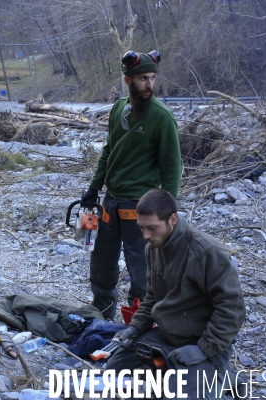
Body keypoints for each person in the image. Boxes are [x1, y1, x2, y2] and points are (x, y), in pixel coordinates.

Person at [107, 188, 246, 399]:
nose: (145, 236)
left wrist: (204, 348)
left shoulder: (207, 252)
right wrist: (134, 329)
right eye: (141, 228)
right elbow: (152, 297)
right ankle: (194, 373)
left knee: (178, 394)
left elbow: (232, 310)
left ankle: (224, 374)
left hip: (204, 341)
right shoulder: (153, 247)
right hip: (167, 335)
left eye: (152, 228)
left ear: (172, 219)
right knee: (115, 370)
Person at [81, 50, 181, 319]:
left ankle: (140, 321)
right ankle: (101, 314)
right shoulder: (118, 109)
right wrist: (94, 186)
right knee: (101, 263)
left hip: (141, 206)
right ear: (128, 80)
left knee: (142, 269)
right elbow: (108, 151)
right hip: (110, 203)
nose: (149, 85)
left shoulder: (161, 117)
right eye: (142, 79)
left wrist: (166, 212)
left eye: (151, 78)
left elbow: (172, 168)